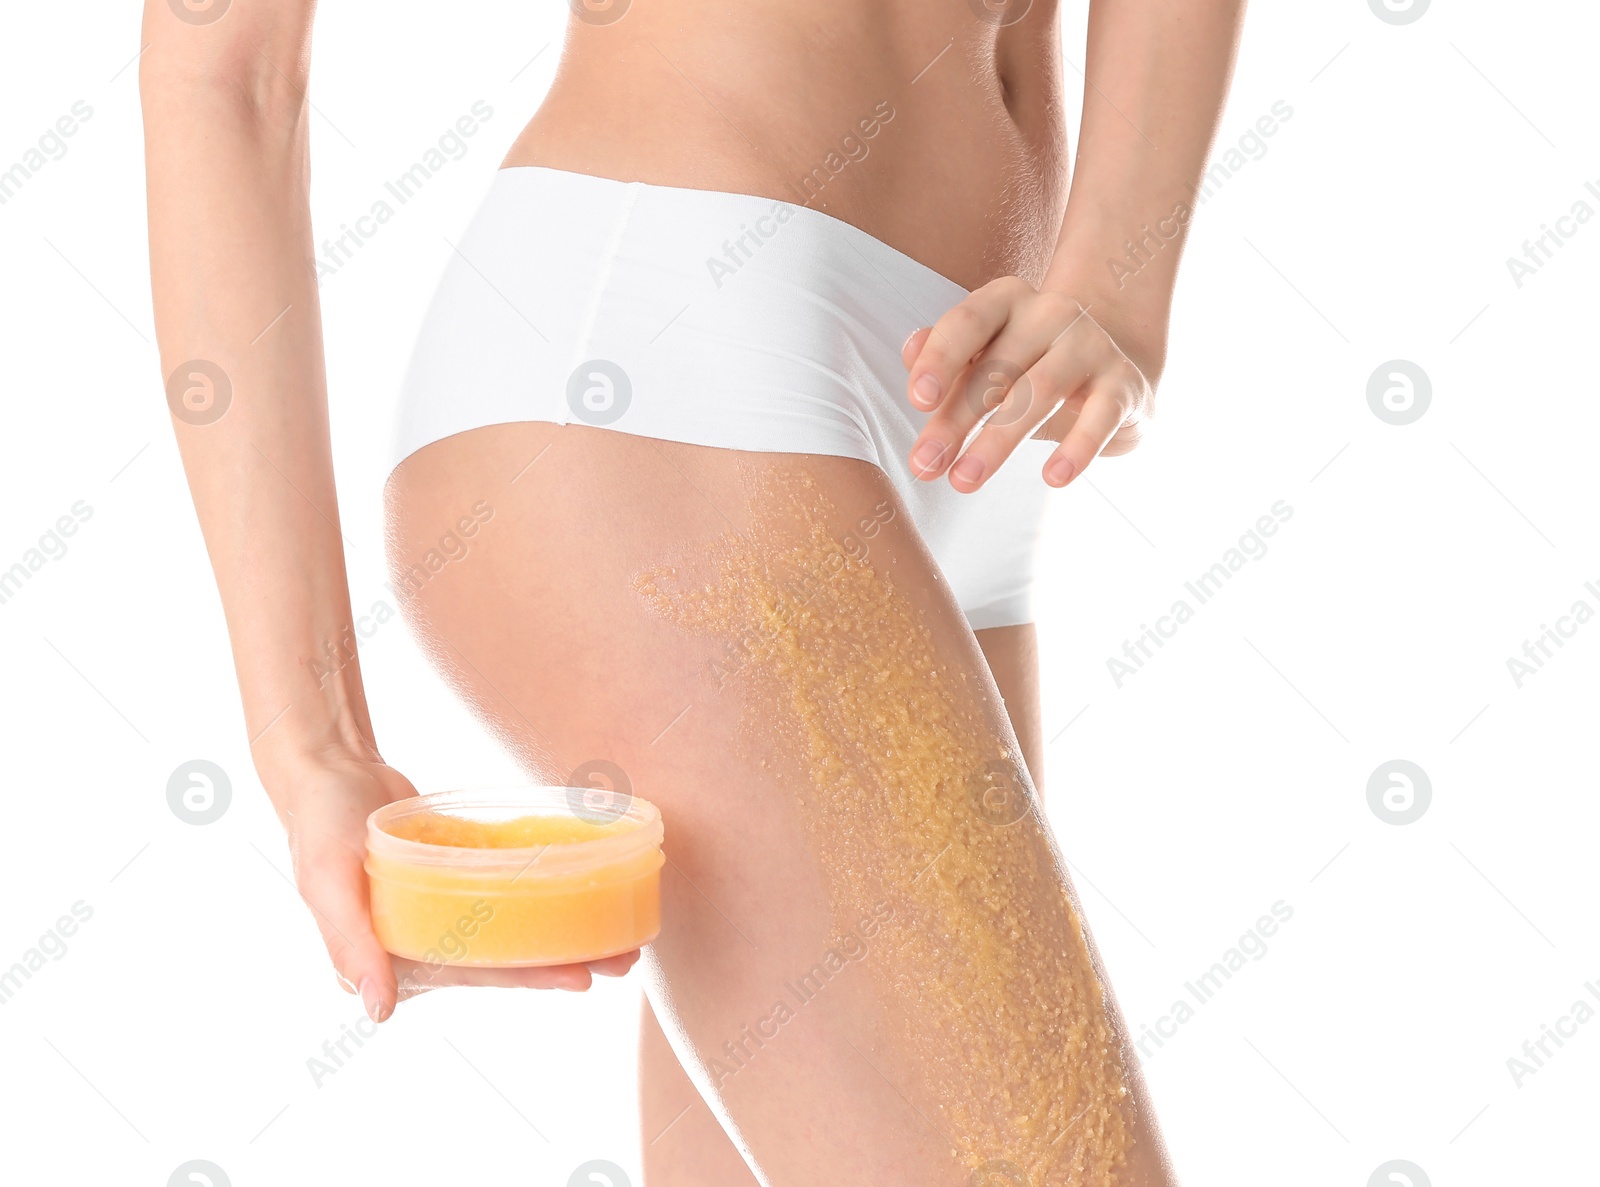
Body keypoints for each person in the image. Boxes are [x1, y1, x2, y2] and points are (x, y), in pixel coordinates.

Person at [141, 0, 1244, 1181]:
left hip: (977, 411)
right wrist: (311, 738)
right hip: (672, 355)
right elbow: (226, 66)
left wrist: (1117, 267)